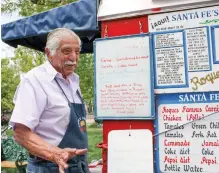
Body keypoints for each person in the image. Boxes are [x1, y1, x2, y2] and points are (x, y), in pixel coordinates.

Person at [10, 28, 89, 173]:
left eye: (77, 52)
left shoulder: (73, 81)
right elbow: (20, 133)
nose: (73, 57)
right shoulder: (34, 80)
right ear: (48, 53)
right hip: (48, 167)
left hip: (77, 167)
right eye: (66, 51)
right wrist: (55, 154)